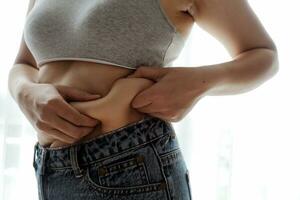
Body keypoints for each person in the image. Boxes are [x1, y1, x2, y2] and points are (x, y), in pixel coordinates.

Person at [7, 0, 278, 199]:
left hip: (132, 164)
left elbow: (263, 55)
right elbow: (24, 64)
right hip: (51, 167)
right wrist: (25, 93)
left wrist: (197, 83)